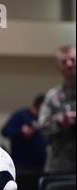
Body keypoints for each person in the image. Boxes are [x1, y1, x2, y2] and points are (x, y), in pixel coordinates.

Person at [38, 46, 76, 175]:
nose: (69, 64)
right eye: (64, 61)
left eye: (73, 59)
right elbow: (42, 126)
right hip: (60, 167)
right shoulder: (53, 96)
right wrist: (59, 121)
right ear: (58, 67)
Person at [1, 94, 47, 173]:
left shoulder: (45, 119)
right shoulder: (21, 115)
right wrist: (20, 132)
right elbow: (5, 131)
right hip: (22, 165)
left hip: (41, 165)